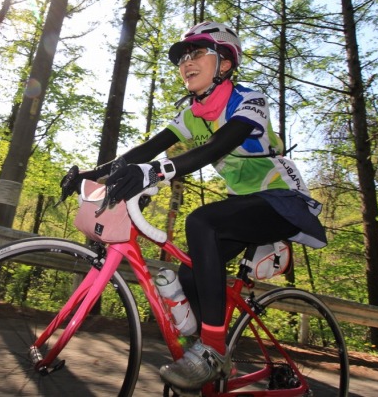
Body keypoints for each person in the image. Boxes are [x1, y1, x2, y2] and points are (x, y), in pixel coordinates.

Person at [61, 20, 327, 392]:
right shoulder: (191, 114)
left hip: (283, 200)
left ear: (226, 63)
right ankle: (213, 366)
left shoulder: (249, 100)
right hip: (245, 204)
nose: (187, 62)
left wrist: (156, 173)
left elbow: (216, 147)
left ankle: (213, 351)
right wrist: (93, 174)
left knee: (202, 222)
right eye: (183, 56)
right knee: (189, 279)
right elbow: (143, 151)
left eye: (198, 53)